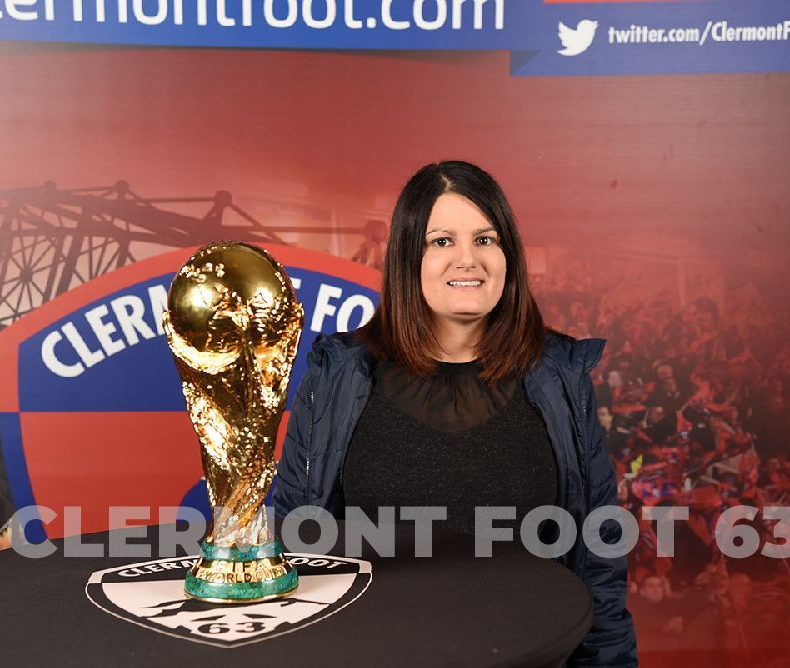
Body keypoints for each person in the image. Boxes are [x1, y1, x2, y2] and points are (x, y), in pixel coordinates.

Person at [273, 160, 638, 666]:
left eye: (485, 240)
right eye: (441, 241)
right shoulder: (340, 375)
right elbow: (294, 543)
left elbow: (599, 563)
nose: (468, 260)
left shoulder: (560, 376)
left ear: (508, 255)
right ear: (407, 258)